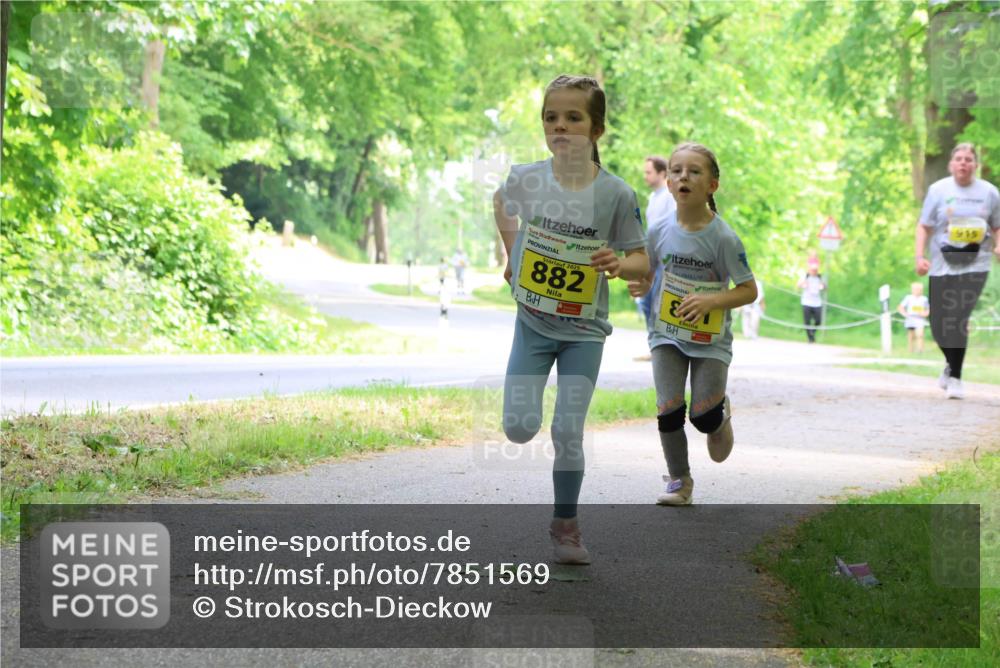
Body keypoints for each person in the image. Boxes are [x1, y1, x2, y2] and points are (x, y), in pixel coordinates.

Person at [493, 74, 649, 564]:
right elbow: (502, 204)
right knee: (519, 427)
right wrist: (513, 253)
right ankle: (562, 517)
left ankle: (566, 526)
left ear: (596, 129)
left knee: (566, 431)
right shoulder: (527, 178)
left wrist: (620, 265)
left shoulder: (617, 195)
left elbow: (643, 261)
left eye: (573, 117)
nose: (560, 126)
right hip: (533, 326)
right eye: (550, 117)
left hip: (584, 333)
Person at [628, 142, 757, 506]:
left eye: (694, 171)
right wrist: (640, 284)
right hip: (665, 333)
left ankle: (718, 416)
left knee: (701, 416)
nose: (684, 177)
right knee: (668, 407)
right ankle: (680, 482)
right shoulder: (657, 231)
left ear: (712, 185)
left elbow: (748, 290)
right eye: (677, 170)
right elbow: (648, 275)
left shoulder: (724, 238)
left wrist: (711, 300)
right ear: (668, 183)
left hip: (710, 338)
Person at [915, 142, 1000, 399]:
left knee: (958, 317)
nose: (964, 163)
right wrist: (919, 256)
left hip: (977, 263)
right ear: (951, 164)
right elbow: (924, 226)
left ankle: (956, 378)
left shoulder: (989, 192)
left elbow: (997, 226)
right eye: (959, 159)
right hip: (942, 265)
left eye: (968, 159)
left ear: (975, 165)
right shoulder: (938, 190)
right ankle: (951, 364)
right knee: (939, 325)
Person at [638, 156, 677, 326]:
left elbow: (673, 226)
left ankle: (660, 348)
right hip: (652, 258)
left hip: (665, 259)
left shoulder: (670, 197)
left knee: (657, 303)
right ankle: (654, 346)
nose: (645, 176)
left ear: (662, 173)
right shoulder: (653, 197)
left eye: (649, 172)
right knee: (646, 302)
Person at [797, 259, 826, 343]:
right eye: (813, 270)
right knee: (807, 321)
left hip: (817, 302)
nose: (814, 271)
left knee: (818, 320)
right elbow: (798, 285)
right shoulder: (805, 276)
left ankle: (812, 332)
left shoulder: (820, 277)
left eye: (815, 270)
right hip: (806, 301)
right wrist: (804, 282)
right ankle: (810, 338)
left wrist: (823, 285)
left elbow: (825, 287)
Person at [896, 282, 929, 354]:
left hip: (920, 319)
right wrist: (904, 314)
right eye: (916, 289)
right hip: (910, 318)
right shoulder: (908, 298)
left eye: (919, 289)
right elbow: (900, 307)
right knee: (911, 336)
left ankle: (920, 350)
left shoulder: (924, 299)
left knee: (920, 335)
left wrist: (925, 313)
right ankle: (911, 351)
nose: (917, 291)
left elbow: (928, 309)